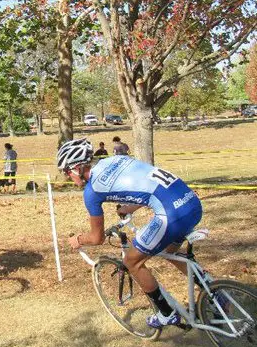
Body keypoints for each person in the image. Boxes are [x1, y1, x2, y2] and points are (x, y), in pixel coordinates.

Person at [58, 138, 203, 329]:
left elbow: (97, 238)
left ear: (77, 168)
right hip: (191, 202)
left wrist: (78, 239)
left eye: (68, 172)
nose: (68, 177)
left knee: (132, 261)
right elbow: (146, 184)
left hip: (172, 214)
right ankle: (213, 291)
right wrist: (129, 208)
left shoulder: (91, 192)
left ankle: (165, 314)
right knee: (170, 250)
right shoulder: (116, 160)